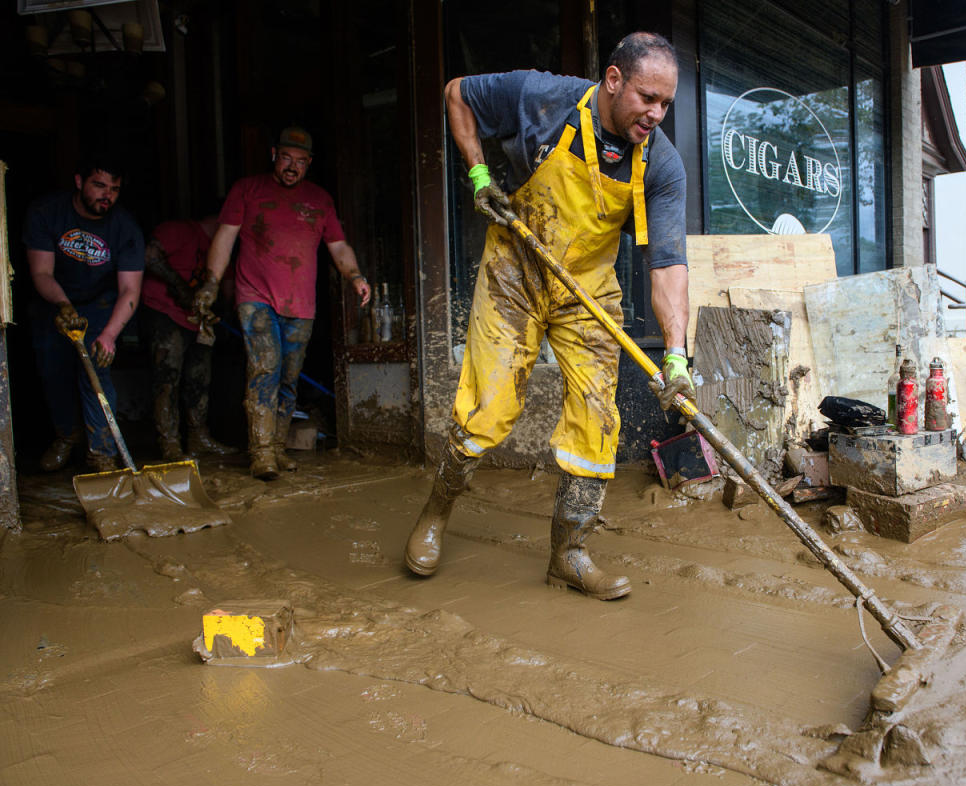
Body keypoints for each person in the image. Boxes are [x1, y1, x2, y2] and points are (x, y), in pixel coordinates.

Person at [404, 32, 696, 600]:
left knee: (596, 419)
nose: (655, 114)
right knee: (488, 408)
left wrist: (677, 357)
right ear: (613, 81)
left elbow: (667, 266)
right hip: (516, 268)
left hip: (586, 290)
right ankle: (436, 513)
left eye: (666, 103)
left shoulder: (661, 163)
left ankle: (569, 553)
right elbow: (456, 93)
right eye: (646, 98)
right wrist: (480, 176)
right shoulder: (542, 98)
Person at [193, 127, 370, 480]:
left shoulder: (320, 200)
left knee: (289, 377)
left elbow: (338, 246)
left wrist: (355, 277)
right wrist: (211, 284)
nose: (293, 167)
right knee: (265, 367)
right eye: (287, 158)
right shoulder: (247, 190)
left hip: (301, 305)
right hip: (255, 298)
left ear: (309, 164)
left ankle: (275, 447)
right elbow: (225, 239)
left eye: (301, 162)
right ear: (274, 154)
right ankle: (260, 454)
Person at [25, 154, 144, 473]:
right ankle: (67, 435)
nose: (107, 195)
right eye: (99, 185)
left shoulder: (125, 227)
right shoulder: (47, 213)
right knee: (55, 372)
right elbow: (41, 273)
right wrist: (64, 306)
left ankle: (102, 454)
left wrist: (109, 335)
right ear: (79, 182)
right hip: (53, 300)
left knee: (97, 374)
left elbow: (130, 290)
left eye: (115, 189)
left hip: (100, 305)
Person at [140, 215, 238, 459]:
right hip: (166, 313)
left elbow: (228, 287)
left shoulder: (225, 248)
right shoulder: (178, 230)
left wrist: (226, 316)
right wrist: (180, 286)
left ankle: (198, 438)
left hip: (199, 321)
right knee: (167, 377)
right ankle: (170, 443)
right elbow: (149, 255)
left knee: (199, 379)